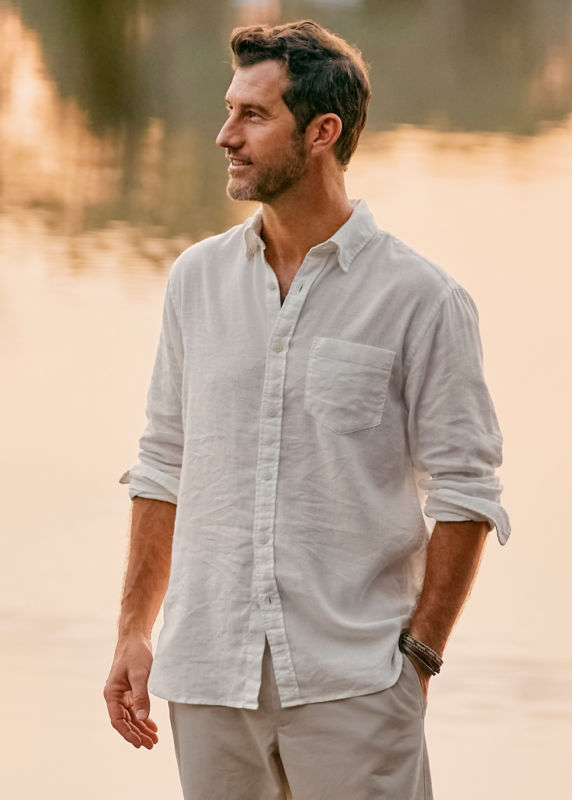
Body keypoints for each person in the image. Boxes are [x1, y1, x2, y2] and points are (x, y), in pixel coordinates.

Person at [104, 19, 510, 800]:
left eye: (254, 116)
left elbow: (466, 491)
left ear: (323, 132)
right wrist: (133, 631)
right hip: (209, 677)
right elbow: (163, 462)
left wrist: (417, 660)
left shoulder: (421, 300)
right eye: (229, 111)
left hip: (354, 687)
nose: (226, 135)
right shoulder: (197, 281)